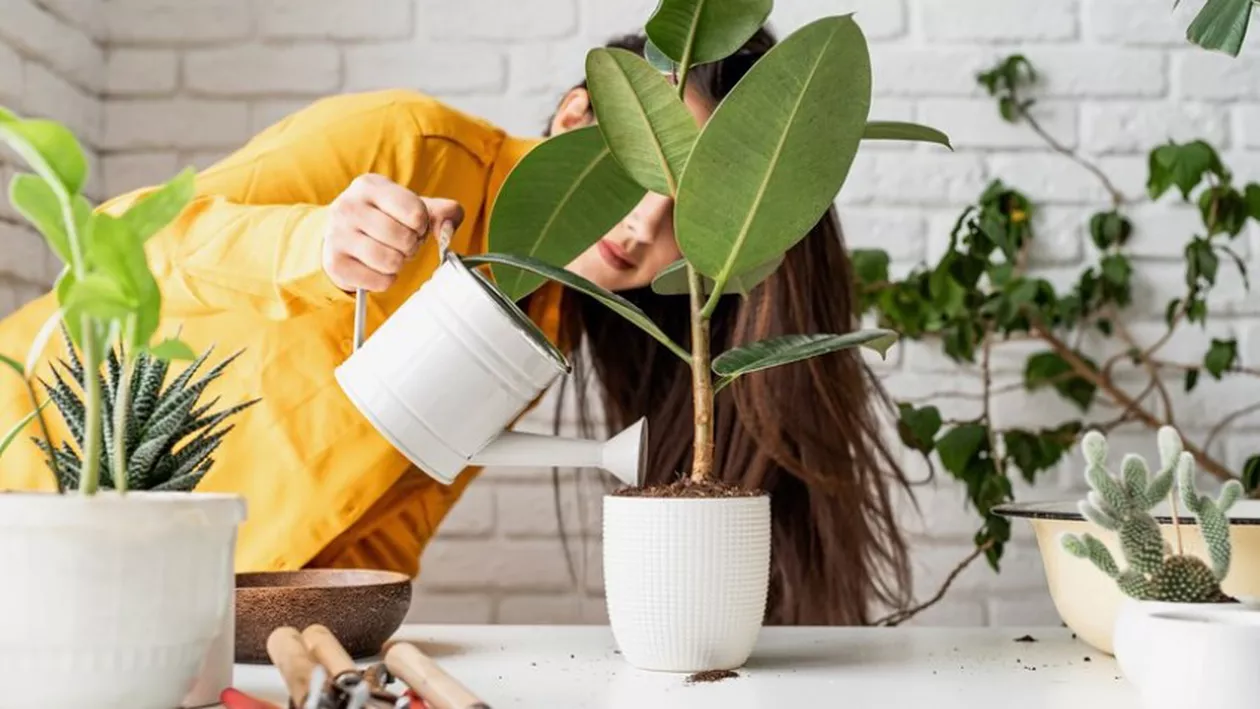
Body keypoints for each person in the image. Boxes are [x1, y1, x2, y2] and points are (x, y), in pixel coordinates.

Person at [0, 27, 914, 625]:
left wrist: (353, 636)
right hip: (31, 488)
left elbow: (387, 505)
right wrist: (312, 242)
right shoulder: (408, 145)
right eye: (649, 172)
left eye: (691, 213)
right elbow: (121, 246)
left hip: (157, 603)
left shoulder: (546, 315)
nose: (645, 227)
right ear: (577, 117)